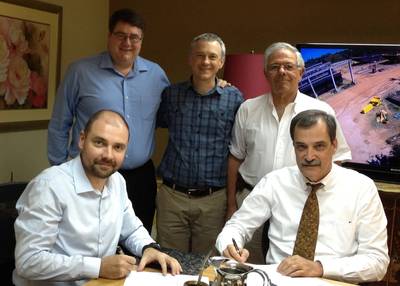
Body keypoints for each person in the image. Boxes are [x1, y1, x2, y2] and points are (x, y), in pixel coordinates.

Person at [216, 110, 389, 284]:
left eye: (319, 146)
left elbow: (377, 262)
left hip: (332, 281)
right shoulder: (275, 181)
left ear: (334, 145)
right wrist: (231, 246)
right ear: (294, 147)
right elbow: (237, 225)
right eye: (301, 147)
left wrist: (319, 267)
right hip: (279, 280)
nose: (309, 156)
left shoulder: (362, 188)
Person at [14, 110, 181, 286]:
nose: (108, 155)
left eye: (118, 147)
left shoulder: (117, 181)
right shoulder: (49, 187)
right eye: (100, 142)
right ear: (82, 140)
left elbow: (131, 229)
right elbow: (28, 261)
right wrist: (98, 267)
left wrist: (149, 248)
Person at [225, 42, 352, 263]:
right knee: (248, 265)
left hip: (297, 204)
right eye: (274, 67)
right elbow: (235, 157)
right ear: (265, 73)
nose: (281, 72)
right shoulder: (248, 109)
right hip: (250, 200)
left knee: (287, 267)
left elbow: (337, 158)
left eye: (288, 66)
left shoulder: (322, 111)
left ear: (300, 72)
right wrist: (231, 206)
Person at [47, 9, 167, 233]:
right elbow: (59, 123)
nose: (127, 42)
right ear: (109, 36)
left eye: (134, 37)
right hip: (90, 174)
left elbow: (175, 109)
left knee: (136, 241)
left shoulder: (156, 75)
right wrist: (60, 171)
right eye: (120, 35)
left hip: (140, 179)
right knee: (90, 240)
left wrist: (217, 83)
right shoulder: (80, 71)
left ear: (141, 41)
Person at [156, 33, 243, 255]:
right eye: (200, 55)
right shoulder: (171, 95)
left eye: (212, 57)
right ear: (190, 59)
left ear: (221, 62)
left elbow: (239, 147)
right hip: (172, 198)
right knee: (169, 264)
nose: (206, 62)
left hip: (213, 201)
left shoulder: (234, 98)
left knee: (207, 266)